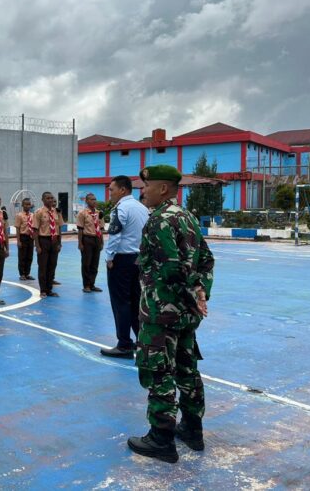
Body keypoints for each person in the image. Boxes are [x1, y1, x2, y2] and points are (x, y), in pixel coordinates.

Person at [127, 165, 214, 463]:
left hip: (160, 313)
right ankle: (192, 429)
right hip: (186, 315)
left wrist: (172, 302)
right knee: (186, 369)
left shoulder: (159, 221)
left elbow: (170, 269)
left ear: (162, 189)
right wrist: (199, 297)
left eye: (146, 185)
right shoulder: (187, 217)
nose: (143, 190)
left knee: (159, 372)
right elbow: (206, 260)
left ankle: (161, 438)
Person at [101, 175, 149, 358]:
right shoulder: (142, 208)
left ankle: (124, 344)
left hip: (122, 260)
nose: (110, 193)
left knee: (120, 302)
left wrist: (109, 257)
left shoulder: (121, 209)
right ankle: (142, 341)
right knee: (137, 302)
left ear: (122, 190)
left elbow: (115, 234)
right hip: (138, 259)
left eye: (112, 189)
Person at [32, 192, 64, 298]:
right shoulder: (39, 212)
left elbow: (59, 228)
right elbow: (35, 230)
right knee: (43, 266)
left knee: (52, 266)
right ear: (43, 200)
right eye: (48, 198)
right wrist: (37, 246)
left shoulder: (57, 212)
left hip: (54, 241)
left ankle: (50, 289)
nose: (50, 200)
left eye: (51, 198)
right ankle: (43, 290)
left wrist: (59, 243)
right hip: (43, 240)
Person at [76, 193, 104, 293]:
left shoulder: (99, 213)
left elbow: (100, 228)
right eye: (92, 199)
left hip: (97, 239)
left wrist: (102, 241)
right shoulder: (82, 213)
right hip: (87, 239)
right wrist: (80, 243)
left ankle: (92, 284)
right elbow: (80, 229)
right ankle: (86, 285)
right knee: (86, 263)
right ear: (86, 201)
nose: (94, 201)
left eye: (95, 199)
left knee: (95, 263)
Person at [14, 198, 35, 281]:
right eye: (26, 204)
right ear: (22, 205)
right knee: (22, 256)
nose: (27, 206)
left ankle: (27, 273)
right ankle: (22, 274)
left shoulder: (33, 215)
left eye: (29, 204)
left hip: (30, 237)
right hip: (23, 237)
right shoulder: (19, 215)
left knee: (29, 256)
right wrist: (18, 240)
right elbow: (18, 228)